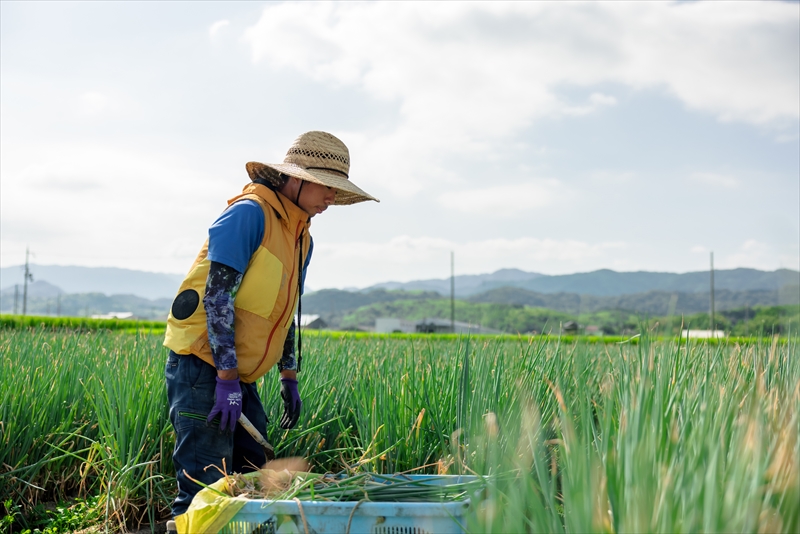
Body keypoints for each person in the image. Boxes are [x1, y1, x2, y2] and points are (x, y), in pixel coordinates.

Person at [163, 131, 378, 518]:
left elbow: (288, 309)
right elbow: (217, 298)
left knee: (252, 484)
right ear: (295, 179)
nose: (331, 197)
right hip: (202, 367)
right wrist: (226, 378)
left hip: (239, 377)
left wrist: (288, 375)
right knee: (204, 491)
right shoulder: (249, 214)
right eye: (326, 187)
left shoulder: (301, 237)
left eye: (336, 189)